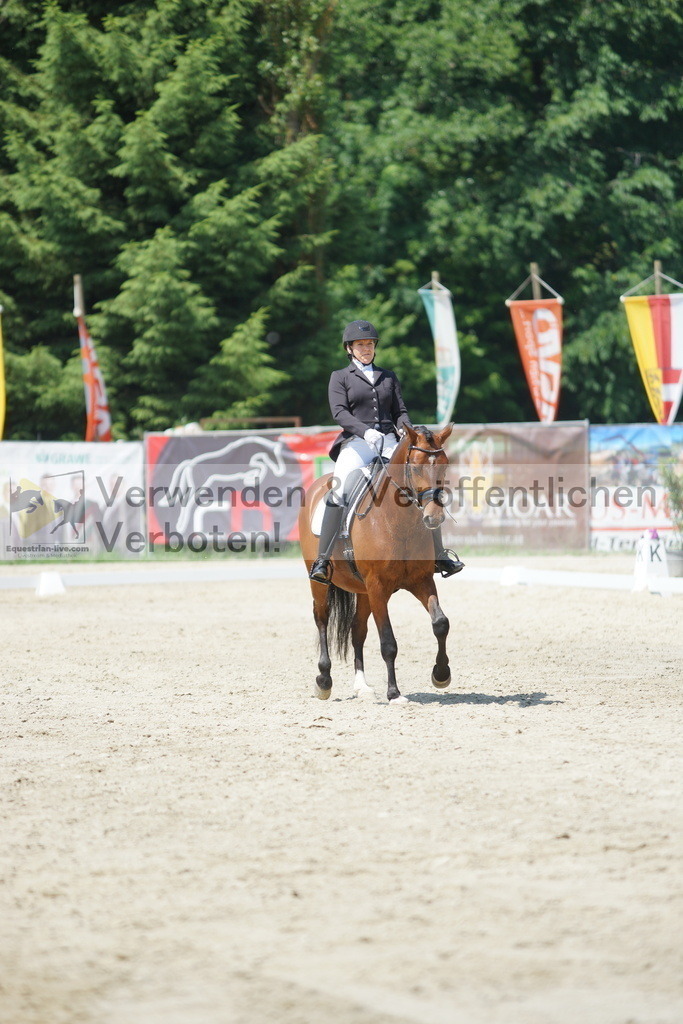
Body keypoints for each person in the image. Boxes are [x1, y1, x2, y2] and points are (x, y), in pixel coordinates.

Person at [308, 319, 464, 584]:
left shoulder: (388, 377)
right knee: (340, 491)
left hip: (390, 442)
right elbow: (340, 412)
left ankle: (439, 554)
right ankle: (323, 559)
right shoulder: (340, 377)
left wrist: (405, 430)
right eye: (360, 345)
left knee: (422, 487)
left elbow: (399, 411)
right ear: (349, 348)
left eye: (370, 344)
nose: (366, 348)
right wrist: (365, 432)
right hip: (357, 443)